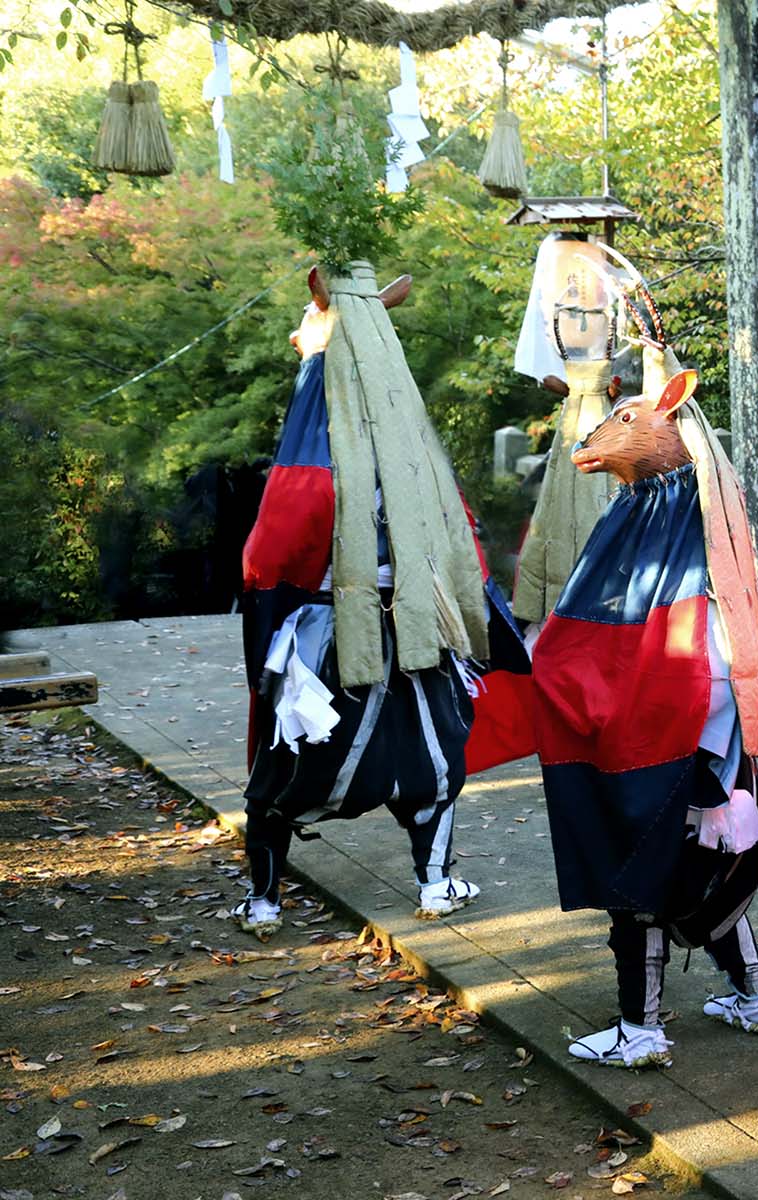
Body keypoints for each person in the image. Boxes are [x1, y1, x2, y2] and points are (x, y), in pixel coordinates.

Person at [234, 265, 527, 937]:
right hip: (390, 635)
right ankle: (431, 884)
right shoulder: (411, 451)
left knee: (297, 773)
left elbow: (268, 557)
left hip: (347, 637)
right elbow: (459, 541)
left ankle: (266, 900)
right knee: (427, 764)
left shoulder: (317, 464)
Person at [531, 348, 758, 1067]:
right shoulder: (680, 517)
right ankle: (754, 995)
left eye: (626, 422)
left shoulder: (677, 523)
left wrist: (578, 688)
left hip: (675, 735)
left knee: (644, 873)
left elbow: (675, 650)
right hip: (715, 740)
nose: (600, 439)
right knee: (704, 867)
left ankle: (640, 1028)